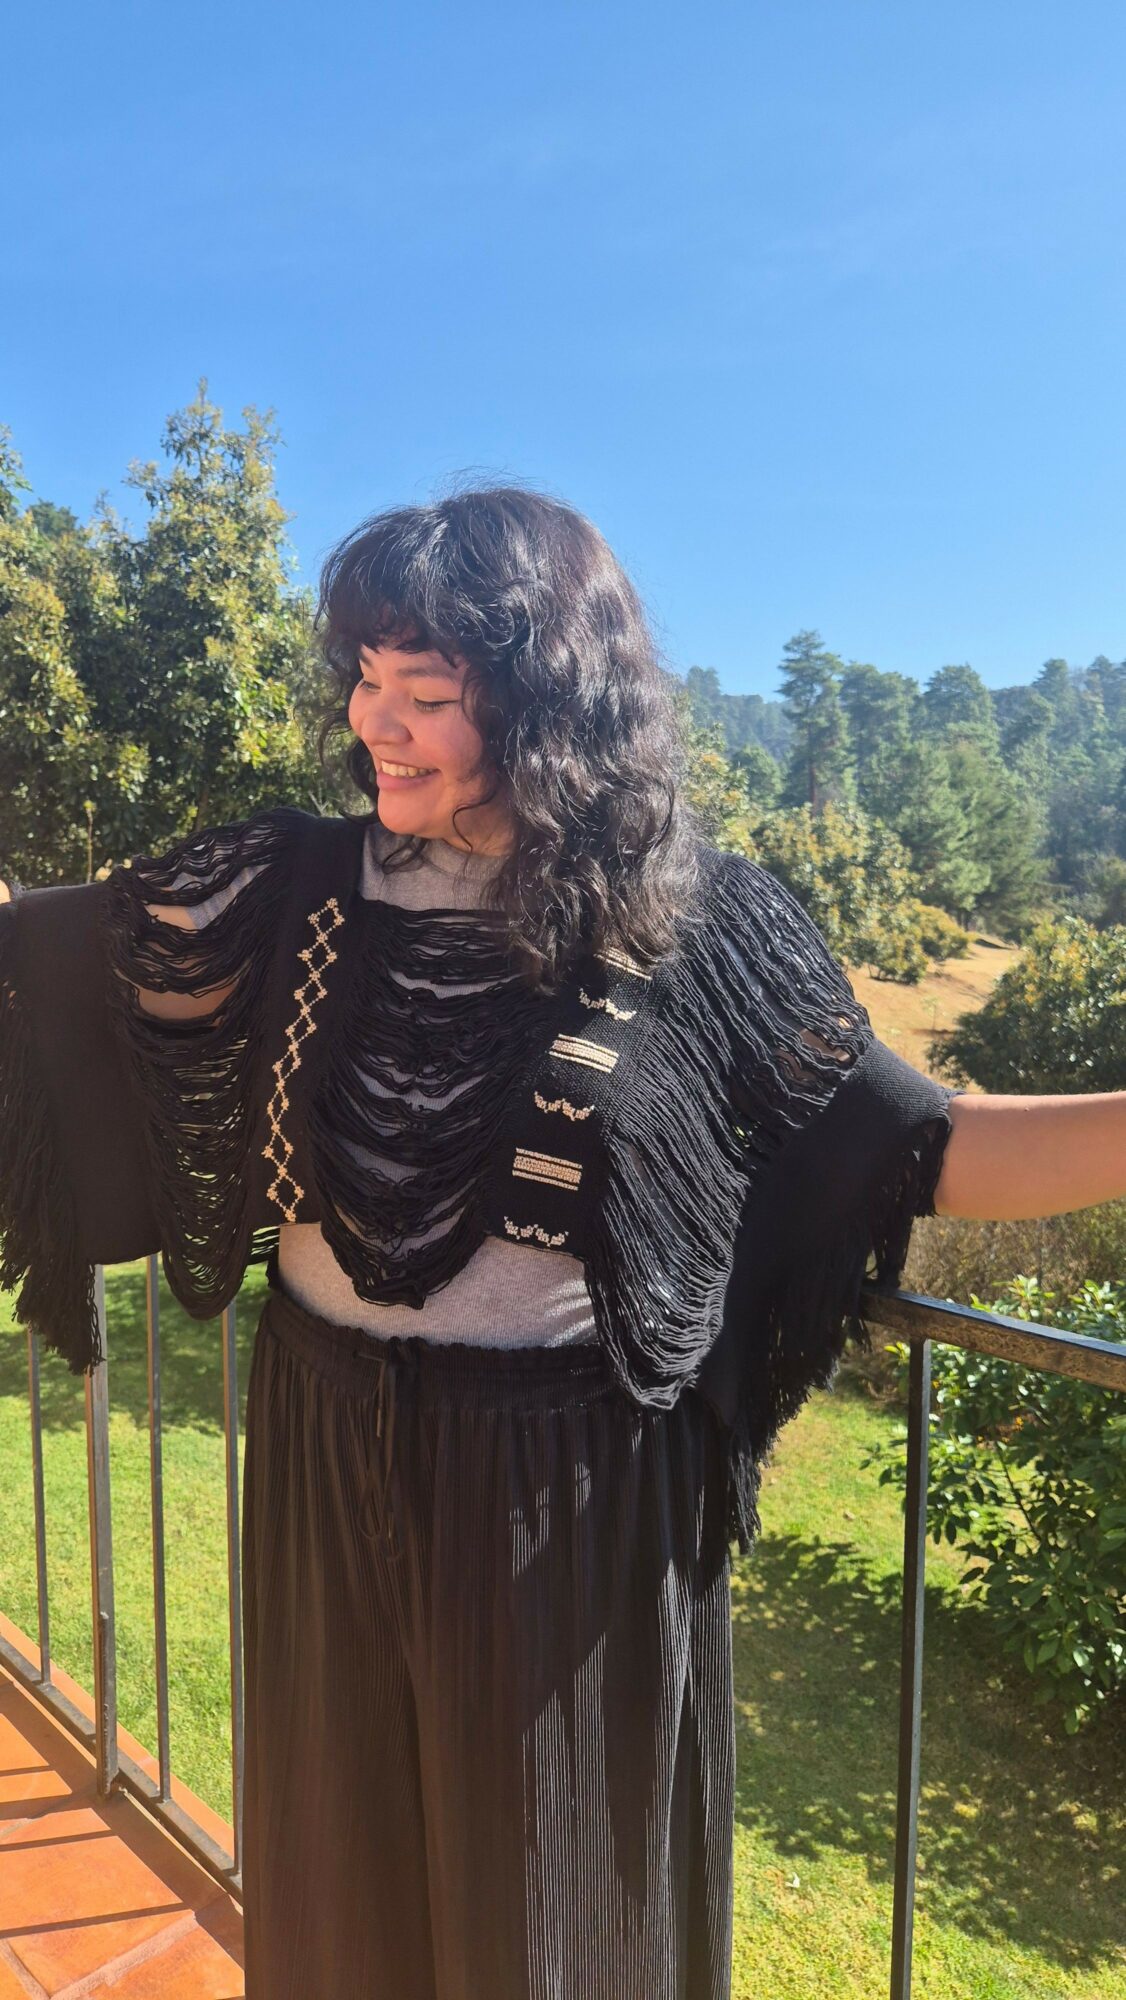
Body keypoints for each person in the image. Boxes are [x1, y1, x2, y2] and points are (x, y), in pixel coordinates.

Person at [2, 483, 1124, 2000]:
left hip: (563, 1488)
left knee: (554, 1925)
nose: (375, 723)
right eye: (365, 680)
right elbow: (54, 981)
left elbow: (920, 1147)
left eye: (425, 692)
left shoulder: (692, 925)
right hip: (320, 1431)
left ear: (547, 704)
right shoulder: (293, 883)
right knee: (334, 1900)